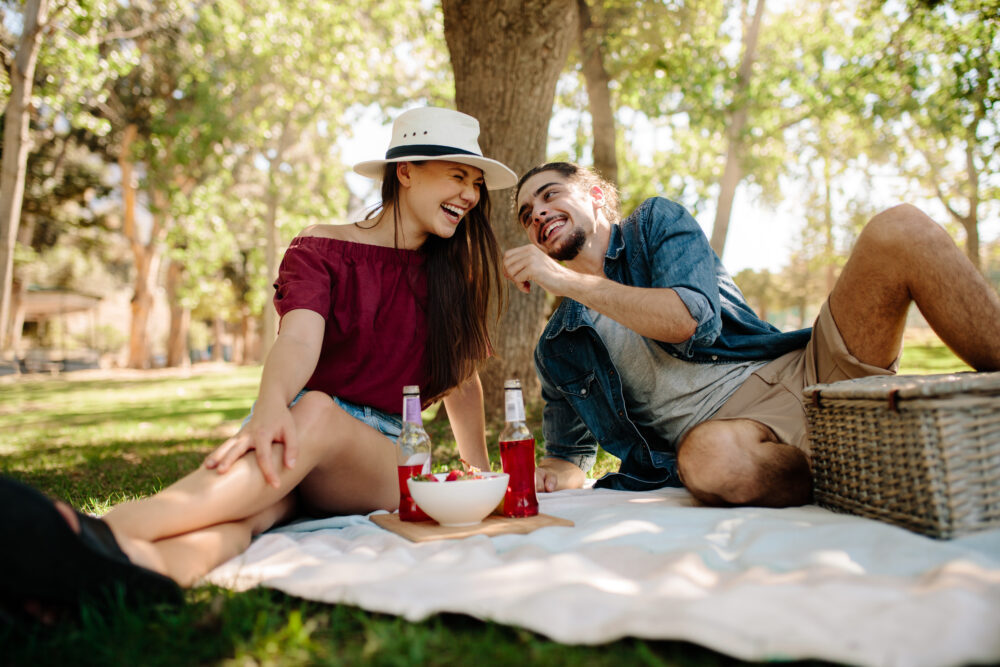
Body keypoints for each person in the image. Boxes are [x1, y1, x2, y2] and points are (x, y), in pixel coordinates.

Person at [0, 107, 517, 610]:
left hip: (384, 455)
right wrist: (269, 408)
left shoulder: (453, 276)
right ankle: (132, 575)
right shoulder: (321, 248)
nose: (470, 195)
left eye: (474, 183)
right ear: (406, 171)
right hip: (293, 426)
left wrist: (479, 475)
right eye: (458, 176)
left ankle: (80, 533)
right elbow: (297, 339)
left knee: (315, 410)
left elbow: (462, 378)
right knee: (249, 516)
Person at [502, 162, 1000, 507]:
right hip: (735, 440)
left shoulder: (655, 223)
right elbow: (569, 459)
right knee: (709, 463)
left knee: (900, 228)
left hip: (804, 371)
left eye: (550, 195)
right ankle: (843, 469)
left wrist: (568, 282)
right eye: (527, 214)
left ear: (593, 195)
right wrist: (552, 472)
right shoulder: (558, 346)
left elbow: (689, 320)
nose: (538, 213)